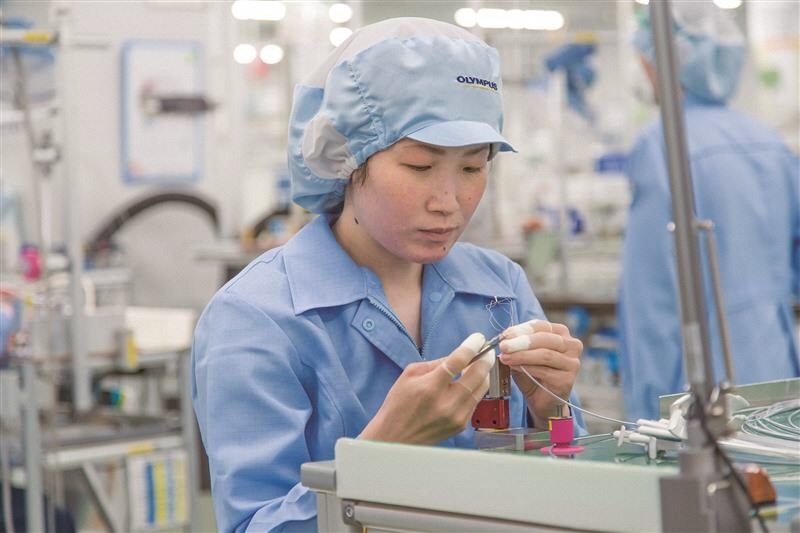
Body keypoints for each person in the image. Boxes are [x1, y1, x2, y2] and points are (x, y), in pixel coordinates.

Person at [192, 17, 585, 532]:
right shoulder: (257, 318)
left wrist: (550, 412)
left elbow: (569, 487)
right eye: (420, 166)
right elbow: (253, 524)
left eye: (472, 168)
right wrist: (381, 451)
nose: (448, 202)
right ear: (348, 158)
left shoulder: (499, 288)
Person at [617, 3, 800, 422]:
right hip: (777, 370)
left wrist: (648, 414)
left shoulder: (663, 143)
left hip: (701, 387)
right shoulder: (769, 142)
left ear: (661, 63)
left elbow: (652, 304)